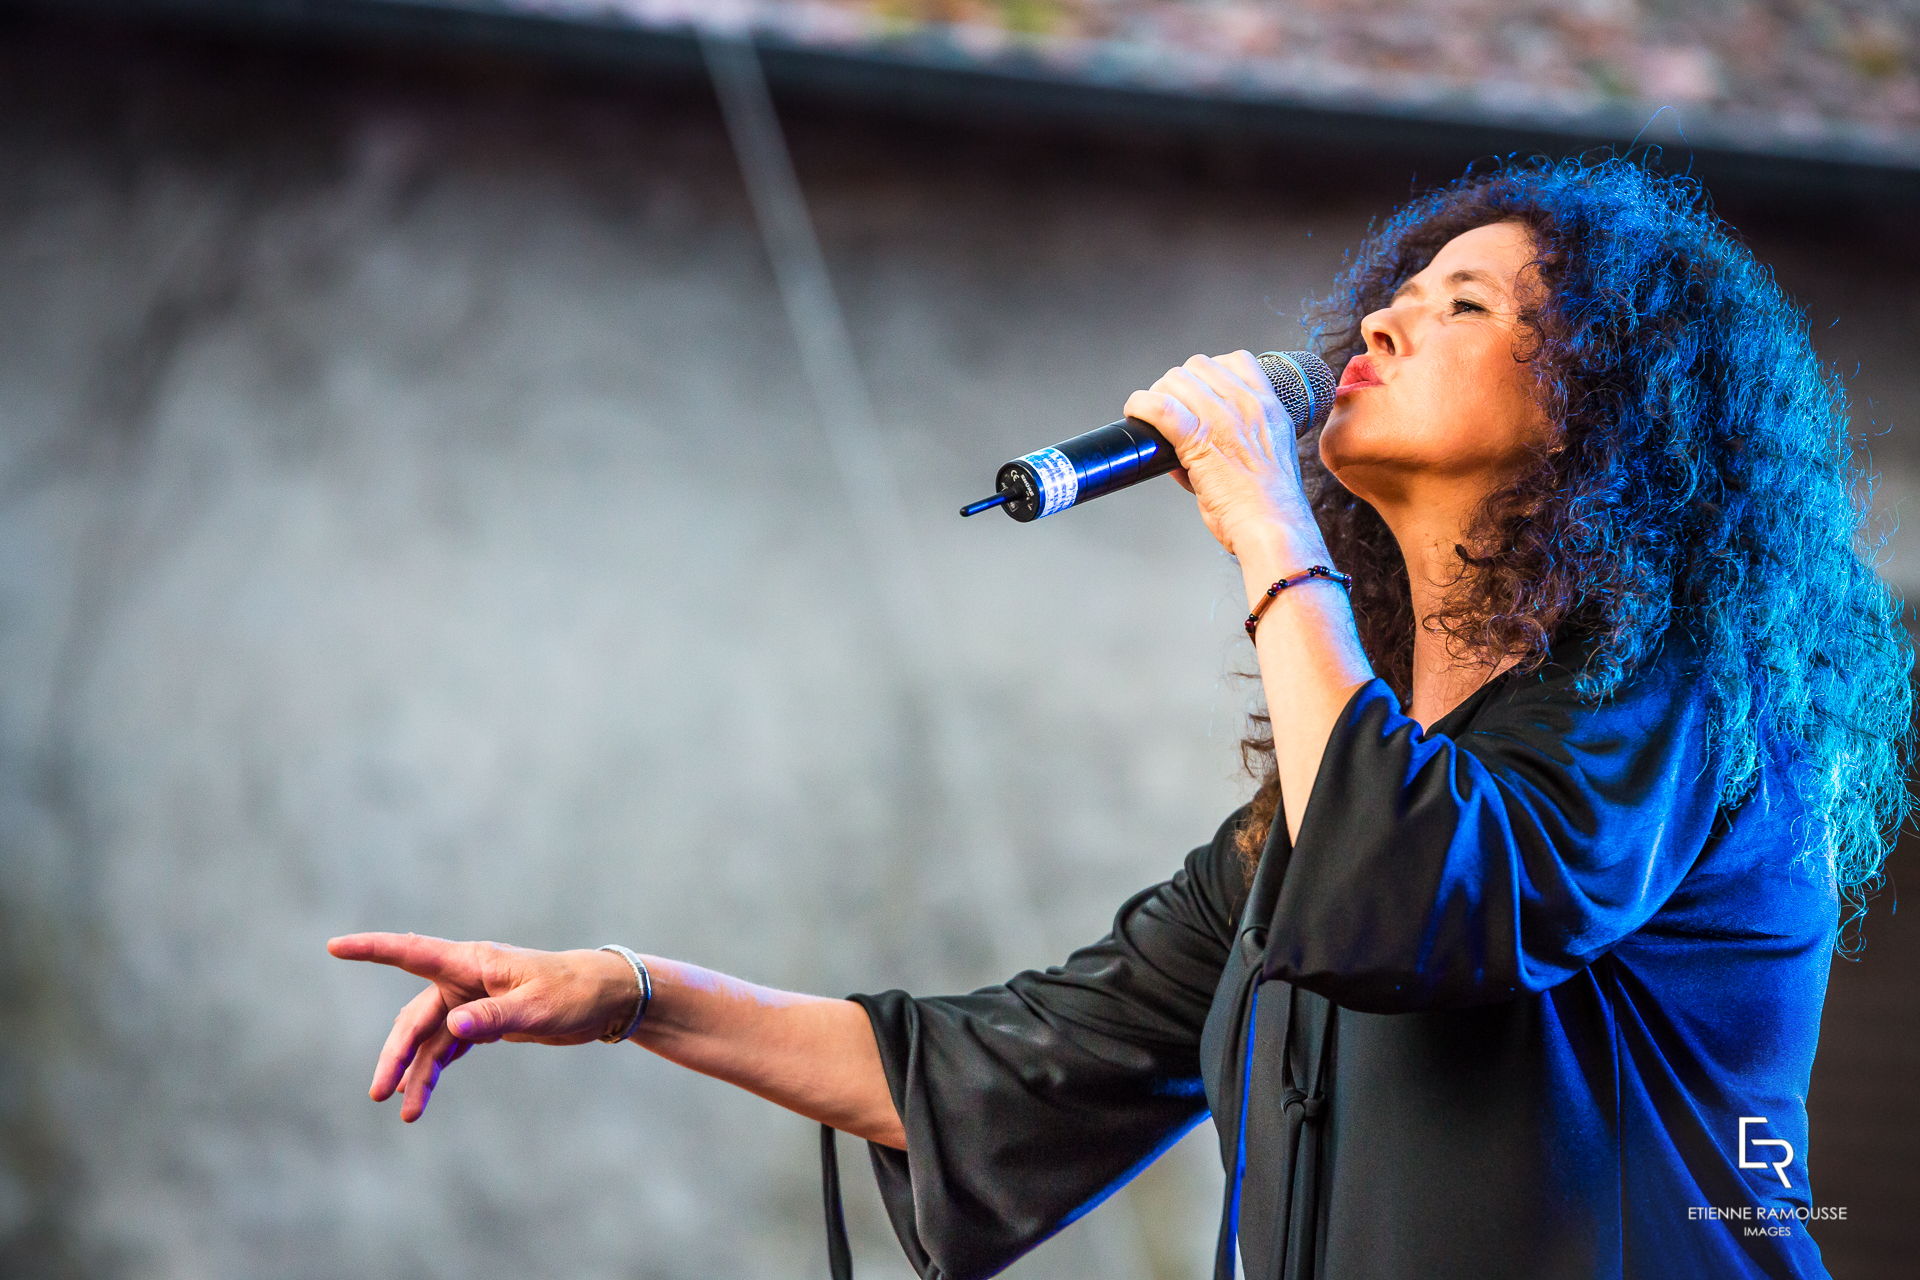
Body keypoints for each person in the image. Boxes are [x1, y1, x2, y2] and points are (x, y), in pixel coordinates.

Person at [326, 154, 1914, 1280]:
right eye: (1402, 291)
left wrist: (1264, 522)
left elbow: (1417, 898)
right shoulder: (1313, 821)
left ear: (1607, 407)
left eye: (1468, 308)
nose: (1380, 323)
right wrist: (628, 992)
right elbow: (995, 1070)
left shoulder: (1689, 709)